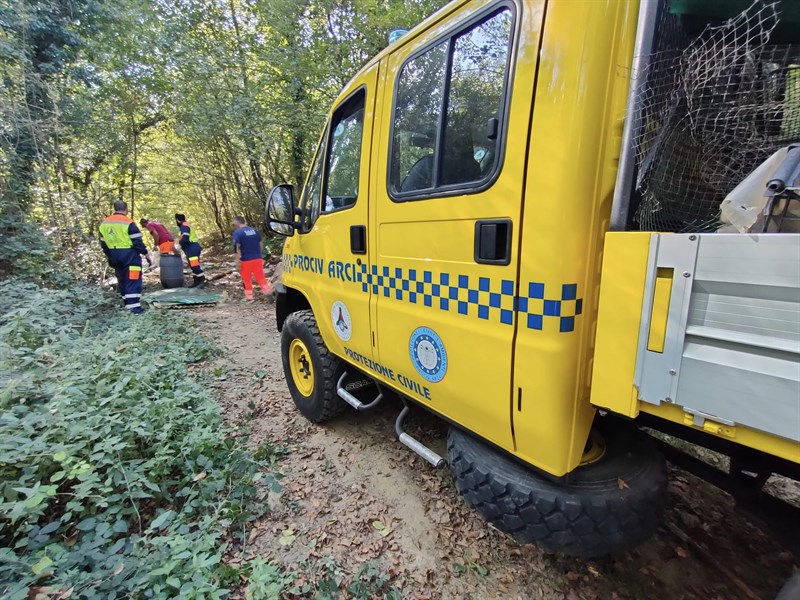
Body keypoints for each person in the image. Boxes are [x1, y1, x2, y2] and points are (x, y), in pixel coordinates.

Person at [99, 200, 152, 314]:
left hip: (114, 255)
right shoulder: (128, 222)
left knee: (122, 280)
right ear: (126, 209)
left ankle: (127, 305)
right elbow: (137, 241)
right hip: (130, 256)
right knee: (133, 280)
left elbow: (103, 244)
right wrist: (146, 254)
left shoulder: (105, 223)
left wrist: (110, 255)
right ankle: (134, 309)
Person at [232, 216, 272, 302]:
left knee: (246, 279)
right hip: (257, 258)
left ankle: (249, 298)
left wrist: (237, 260)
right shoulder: (254, 230)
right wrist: (259, 255)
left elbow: (236, 247)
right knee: (261, 277)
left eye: (234, 222)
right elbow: (260, 243)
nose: (233, 224)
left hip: (246, 260)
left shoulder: (237, 233)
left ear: (237, 222)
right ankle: (268, 291)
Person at [174, 213, 206, 287]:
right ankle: (196, 281)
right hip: (193, 247)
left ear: (177, 220)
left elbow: (185, 238)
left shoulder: (184, 226)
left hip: (192, 248)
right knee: (193, 265)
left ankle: (202, 281)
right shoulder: (186, 225)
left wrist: (179, 245)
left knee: (194, 265)